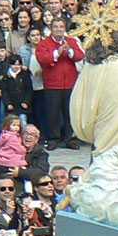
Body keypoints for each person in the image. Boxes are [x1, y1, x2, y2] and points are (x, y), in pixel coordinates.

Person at [35, 18, 86, 151]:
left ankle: (69, 138)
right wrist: (58, 52)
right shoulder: (44, 43)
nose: (59, 29)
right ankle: (53, 139)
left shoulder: (72, 41)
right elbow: (43, 59)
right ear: (51, 29)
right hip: (52, 84)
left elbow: (80, 55)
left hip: (70, 83)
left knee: (70, 113)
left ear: (65, 29)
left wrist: (69, 51)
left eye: (61, 26)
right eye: (56, 27)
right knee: (53, 113)